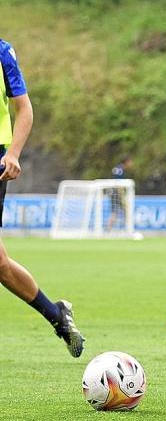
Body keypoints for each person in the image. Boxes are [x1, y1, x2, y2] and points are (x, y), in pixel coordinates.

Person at [0, 38, 84, 357]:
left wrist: (13, 153)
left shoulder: (2, 53)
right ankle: (57, 315)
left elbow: (23, 108)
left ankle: (58, 316)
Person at [106, 155, 133, 232]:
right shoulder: (120, 170)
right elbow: (118, 183)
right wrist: (121, 194)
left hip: (114, 193)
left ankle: (125, 228)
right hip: (116, 193)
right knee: (117, 212)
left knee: (123, 211)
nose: (131, 164)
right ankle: (110, 229)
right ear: (127, 162)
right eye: (130, 162)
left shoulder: (118, 168)